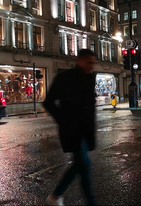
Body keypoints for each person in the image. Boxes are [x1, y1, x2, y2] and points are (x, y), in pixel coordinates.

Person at [44, 49, 98, 206]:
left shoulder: (89, 78)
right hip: (72, 131)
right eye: (89, 62)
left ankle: (56, 195)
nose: (91, 66)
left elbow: (88, 108)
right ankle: (90, 202)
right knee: (84, 167)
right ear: (79, 61)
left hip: (85, 131)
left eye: (93, 63)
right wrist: (64, 121)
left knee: (79, 166)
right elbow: (48, 102)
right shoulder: (64, 78)